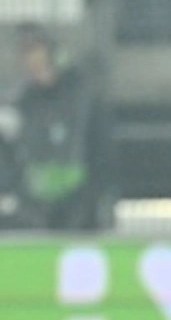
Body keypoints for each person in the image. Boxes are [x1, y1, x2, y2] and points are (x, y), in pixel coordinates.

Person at [10, 24, 109, 230]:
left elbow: (97, 148)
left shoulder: (80, 96)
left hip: (77, 202)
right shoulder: (22, 102)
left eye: (36, 50)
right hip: (34, 204)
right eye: (26, 53)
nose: (32, 60)